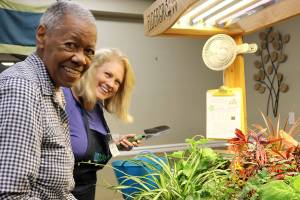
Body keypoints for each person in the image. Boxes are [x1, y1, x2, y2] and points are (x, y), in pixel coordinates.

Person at [0, 1, 97, 199]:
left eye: (89, 51)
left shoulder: (54, 88)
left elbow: (57, 191)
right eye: (70, 45)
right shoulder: (23, 88)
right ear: (42, 36)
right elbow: (10, 195)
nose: (81, 59)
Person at [63, 48, 138, 200]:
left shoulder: (96, 106)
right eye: (108, 75)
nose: (111, 84)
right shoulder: (63, 97)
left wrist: (116, 145)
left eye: (117, 81)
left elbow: (90, 155)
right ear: (92, 68)